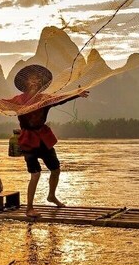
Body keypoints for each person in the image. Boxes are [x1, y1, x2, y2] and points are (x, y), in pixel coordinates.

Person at [6, 65, 88, 218]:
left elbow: (60, 99)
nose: (35, 82)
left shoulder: (44, 98)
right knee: (35, 174)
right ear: (26, 82)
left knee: (56, 170)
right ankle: (29, 208)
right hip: (28, 140)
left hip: (43, 138)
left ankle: (51, 196)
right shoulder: (18, 100)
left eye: (38, 79)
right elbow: (2, 103)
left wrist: (77, 93)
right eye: (32, 79)